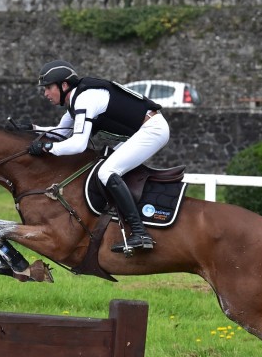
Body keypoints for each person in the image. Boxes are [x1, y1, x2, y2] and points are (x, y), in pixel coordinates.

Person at [25, 59, 170, 254]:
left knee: (107, 171)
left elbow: (78, 144)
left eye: (48, 88)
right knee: (101, 165)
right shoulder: (75, 100)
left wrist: (47, 148)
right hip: (142, 130)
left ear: (64, 85)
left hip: (153, 129)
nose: (45, 93)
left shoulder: (85, 99)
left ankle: (140, 233)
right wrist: (31, 130)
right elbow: (61, 133)